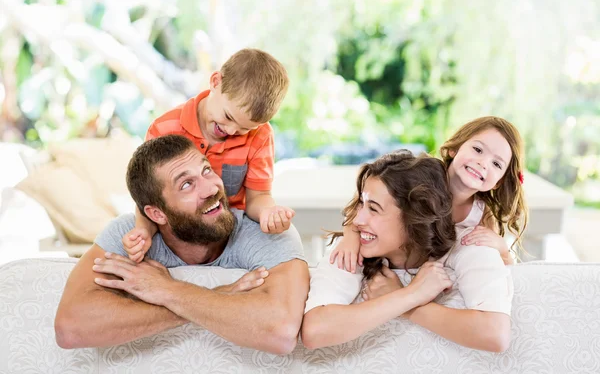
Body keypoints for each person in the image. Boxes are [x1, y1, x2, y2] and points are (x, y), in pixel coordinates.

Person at [54, 135, 309, 355]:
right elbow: (70, 327)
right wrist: (218, 295)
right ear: (156, 215)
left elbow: (281, 331)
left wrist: (167, 290)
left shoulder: (268, 232)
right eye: (186, 184)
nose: (211, 188)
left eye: (207, 170)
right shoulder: (131, 237)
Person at [301, 150, 513, 352]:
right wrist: (411, 295)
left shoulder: (468, 244)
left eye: (373, 209)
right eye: (361, 205)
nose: (357, 220)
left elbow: (495, 334)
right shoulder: (352, 250)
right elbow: (315, 330)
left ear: (415, 218)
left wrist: (407, 305)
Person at [123, 48, 296, 263]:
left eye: (244, 128)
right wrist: (144, 230)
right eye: (228, 117)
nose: (232, 131)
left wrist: (268, 212)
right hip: (181, 232)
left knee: (286, 241)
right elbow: (151, 197)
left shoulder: (260, 135)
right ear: (215, 82)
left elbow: (258, 197)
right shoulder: (164, 128)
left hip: (229, 233)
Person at [330, 116, 528, 271]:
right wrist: (349, 237)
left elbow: (503, 272)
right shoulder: (422, 178)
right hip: (390, 267)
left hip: (431, 279)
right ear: (455, 148)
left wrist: (501, 248)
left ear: (499, 181)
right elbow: (362, 209)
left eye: (496, 164)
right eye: (477, 149)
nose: (482, 163)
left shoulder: (482, 215)